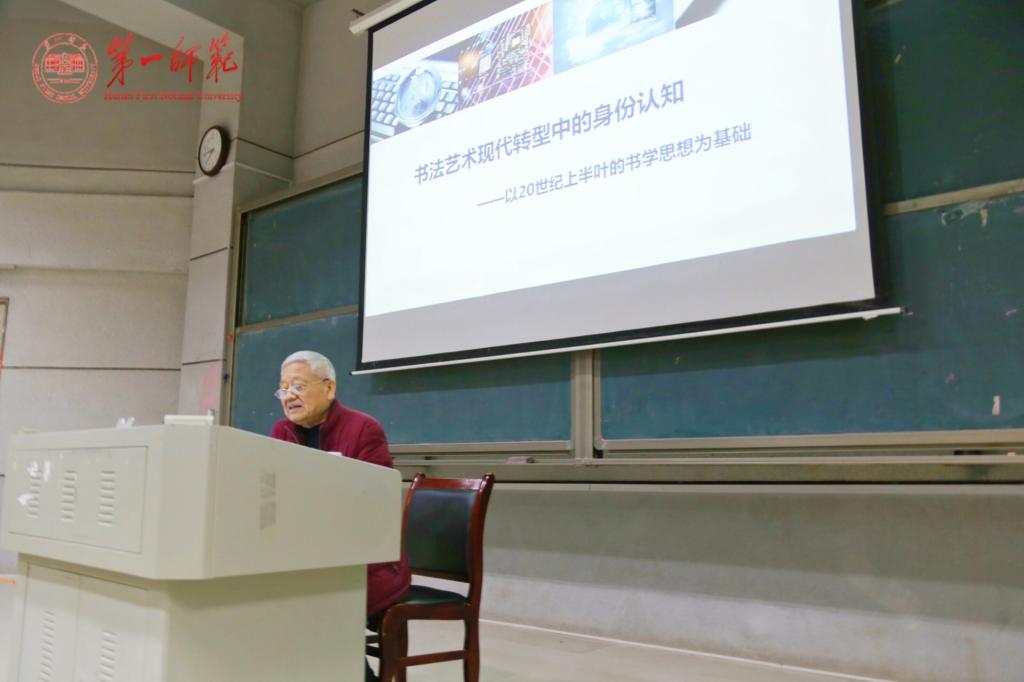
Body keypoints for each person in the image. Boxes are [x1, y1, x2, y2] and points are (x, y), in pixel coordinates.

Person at [269, 350, 410, 682]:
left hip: (370, 563)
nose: (289, 396)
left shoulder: (363, 429)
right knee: (263, 597)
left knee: (316, 603)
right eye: (283, 388)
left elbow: (377, 505)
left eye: (298, 386)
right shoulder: (281, 431)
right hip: (306, 559)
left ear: (329, 388)